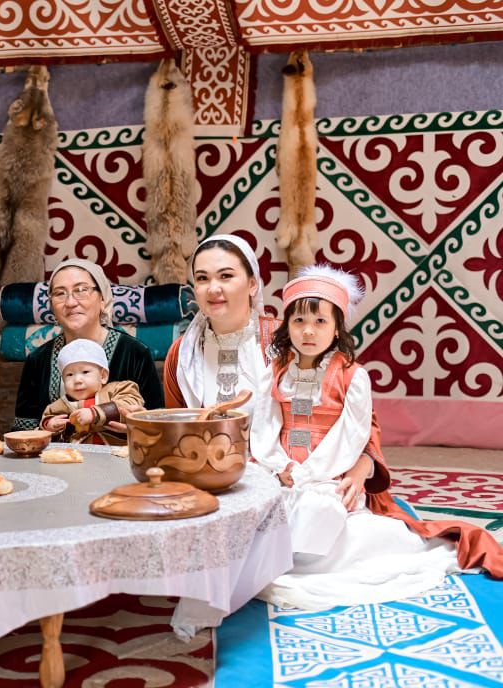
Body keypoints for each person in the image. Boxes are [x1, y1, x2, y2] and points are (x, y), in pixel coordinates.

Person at [251, 265, 502, 609]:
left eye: (320, 321)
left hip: (328, 476)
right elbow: (265, 425)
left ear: (337, 327)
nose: (308, 330)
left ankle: (301, 563)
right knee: (254, 508)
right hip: (282, 472)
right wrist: (280, 466)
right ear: (287, 325)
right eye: (299, 321)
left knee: (318, 512)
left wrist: (310, 474)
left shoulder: (352, 376)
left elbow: (351, 436)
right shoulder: (276, 371)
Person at [162, 234, 391, 497]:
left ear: (252, 284)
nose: (213, 288)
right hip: (210, 478)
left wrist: (361, 468)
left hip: (289, 478)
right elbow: (175, 427)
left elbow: (359, 416)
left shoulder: (286, 341)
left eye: (225, 276)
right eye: (202, 278)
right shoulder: (183, 353)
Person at [13, 258, 163, 431]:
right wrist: (46, 428)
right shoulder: (38, 360)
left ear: (102, 299)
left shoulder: (134, 353)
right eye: (60, 293)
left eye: (81, 290)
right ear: (52, 306)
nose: (70, 302)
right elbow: (23, 432)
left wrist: (138, 427)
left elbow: (159, 424)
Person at [41, 339, 145, 445]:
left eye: (85, 372)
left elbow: (129, 404)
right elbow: (47, 420)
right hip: (75, 452)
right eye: (70, 375)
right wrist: (50, 425)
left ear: (103, 376)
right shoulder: (62, 404)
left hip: (117, 450)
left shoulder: (119, 388)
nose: (77, 380)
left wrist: (95, 413)